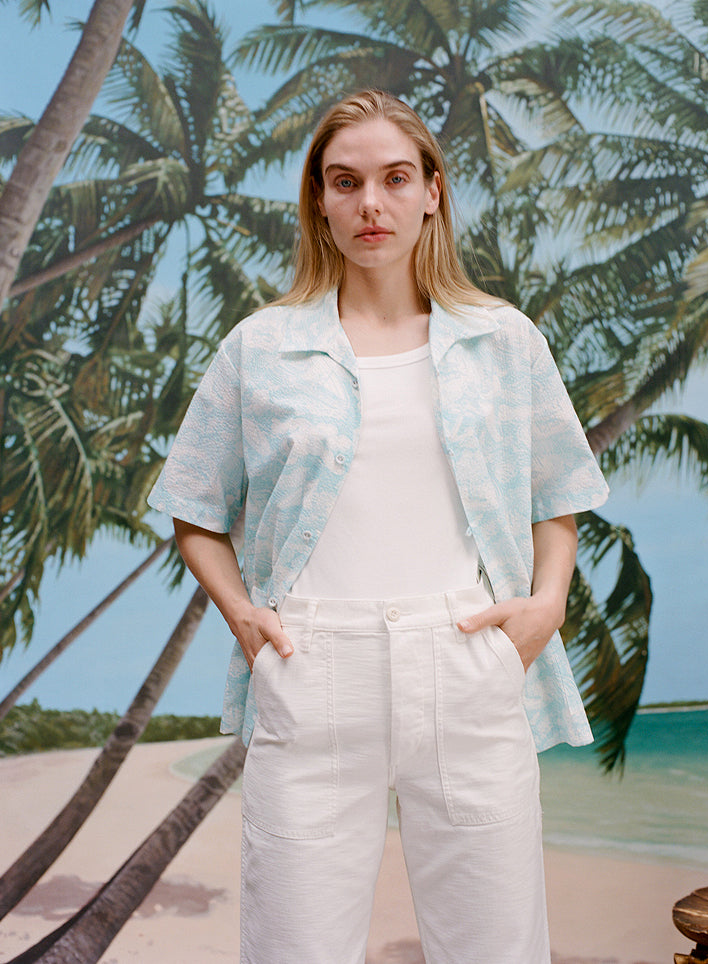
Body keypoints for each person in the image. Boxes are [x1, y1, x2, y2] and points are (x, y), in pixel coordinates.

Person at [148, 88, 608, 964]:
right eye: (346, 181)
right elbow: (193, 508)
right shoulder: (259, 348)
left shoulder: (503, 340)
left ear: (432, 191)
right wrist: (244, 616)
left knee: (497, 949)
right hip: (313, 667)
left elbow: (557, 493)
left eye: (395, 179)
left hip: (468, 662)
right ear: (319, 200)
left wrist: (546, 605)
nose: (371, 204)